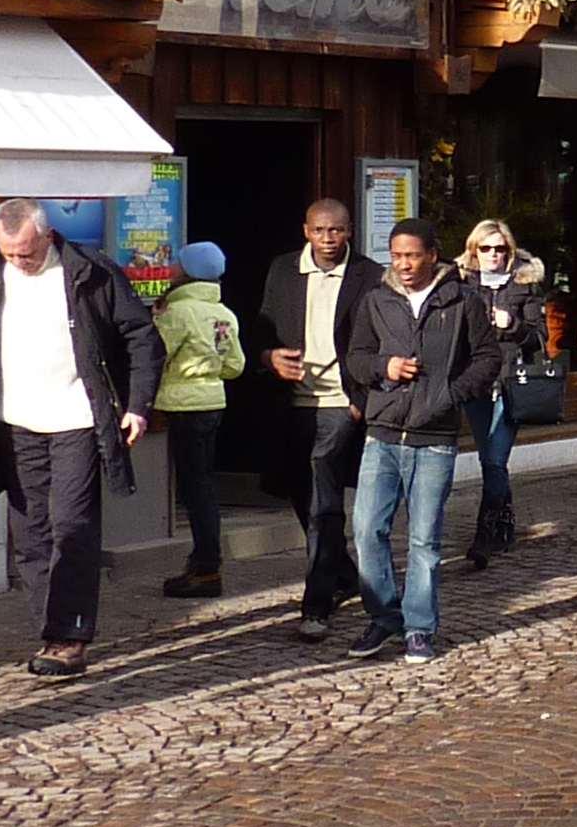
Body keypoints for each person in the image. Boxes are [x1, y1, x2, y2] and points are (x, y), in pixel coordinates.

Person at [0, 200, 159, 677]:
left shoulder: (93, 274)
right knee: (30, 534)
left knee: (71, 525)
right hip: (15, 423)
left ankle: (69, 636)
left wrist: (137, 405)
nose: (19, 263)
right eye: (9, 254)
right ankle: (48, 632)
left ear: (47, 238)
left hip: (77, 418)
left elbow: (142, 339)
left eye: (26, 253)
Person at [339, 219, 500, 662]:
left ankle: (419, 627)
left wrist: (450, 393)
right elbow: (355, 358)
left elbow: (488, 358)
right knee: (367, 530)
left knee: (424, 539)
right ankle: (384, 618)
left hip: (434, 436)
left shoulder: (461, 300)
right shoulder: (376, 301)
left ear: (432, 254)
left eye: (412, 255)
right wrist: (383, 368)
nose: (404, 265)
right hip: (383, 432)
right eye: (396, 256)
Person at [255, 198, 380, 640]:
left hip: (339, 403)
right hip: (292, 402)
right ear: (306, 231)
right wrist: (270, 358)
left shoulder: (369, 274)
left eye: (337, 231)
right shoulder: (284, 269)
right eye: (320, 231)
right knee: (302, 496)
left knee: (323, 503)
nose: (328, 239)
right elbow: (263, 327)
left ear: (349, 231)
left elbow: (379, 340)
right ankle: (343, 573)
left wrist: (361, 398)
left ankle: (316, 603)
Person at [151, 242, 247, 599]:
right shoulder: (223, 313)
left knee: (195, 491)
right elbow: (235, 366)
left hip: (183, 405)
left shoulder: (180, 313)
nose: (172, 266)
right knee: (204, 485)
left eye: (178, 262)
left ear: (188, 271)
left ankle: (206, 567)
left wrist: (157, 320)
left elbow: (156, 355)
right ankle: (204, 564)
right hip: (213, 403)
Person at [456, 218, 546, 570]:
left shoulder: (525, 283)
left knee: (495, 459)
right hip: (476, 381)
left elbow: (539, 337)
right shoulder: (460, 284)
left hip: (511, 382)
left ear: (509, 251)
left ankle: (484, 534)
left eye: (500, 248)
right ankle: (504, 522)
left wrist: (514, 325)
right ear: (474, 251)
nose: (493, 254)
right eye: (486, 248)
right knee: (488, 459)